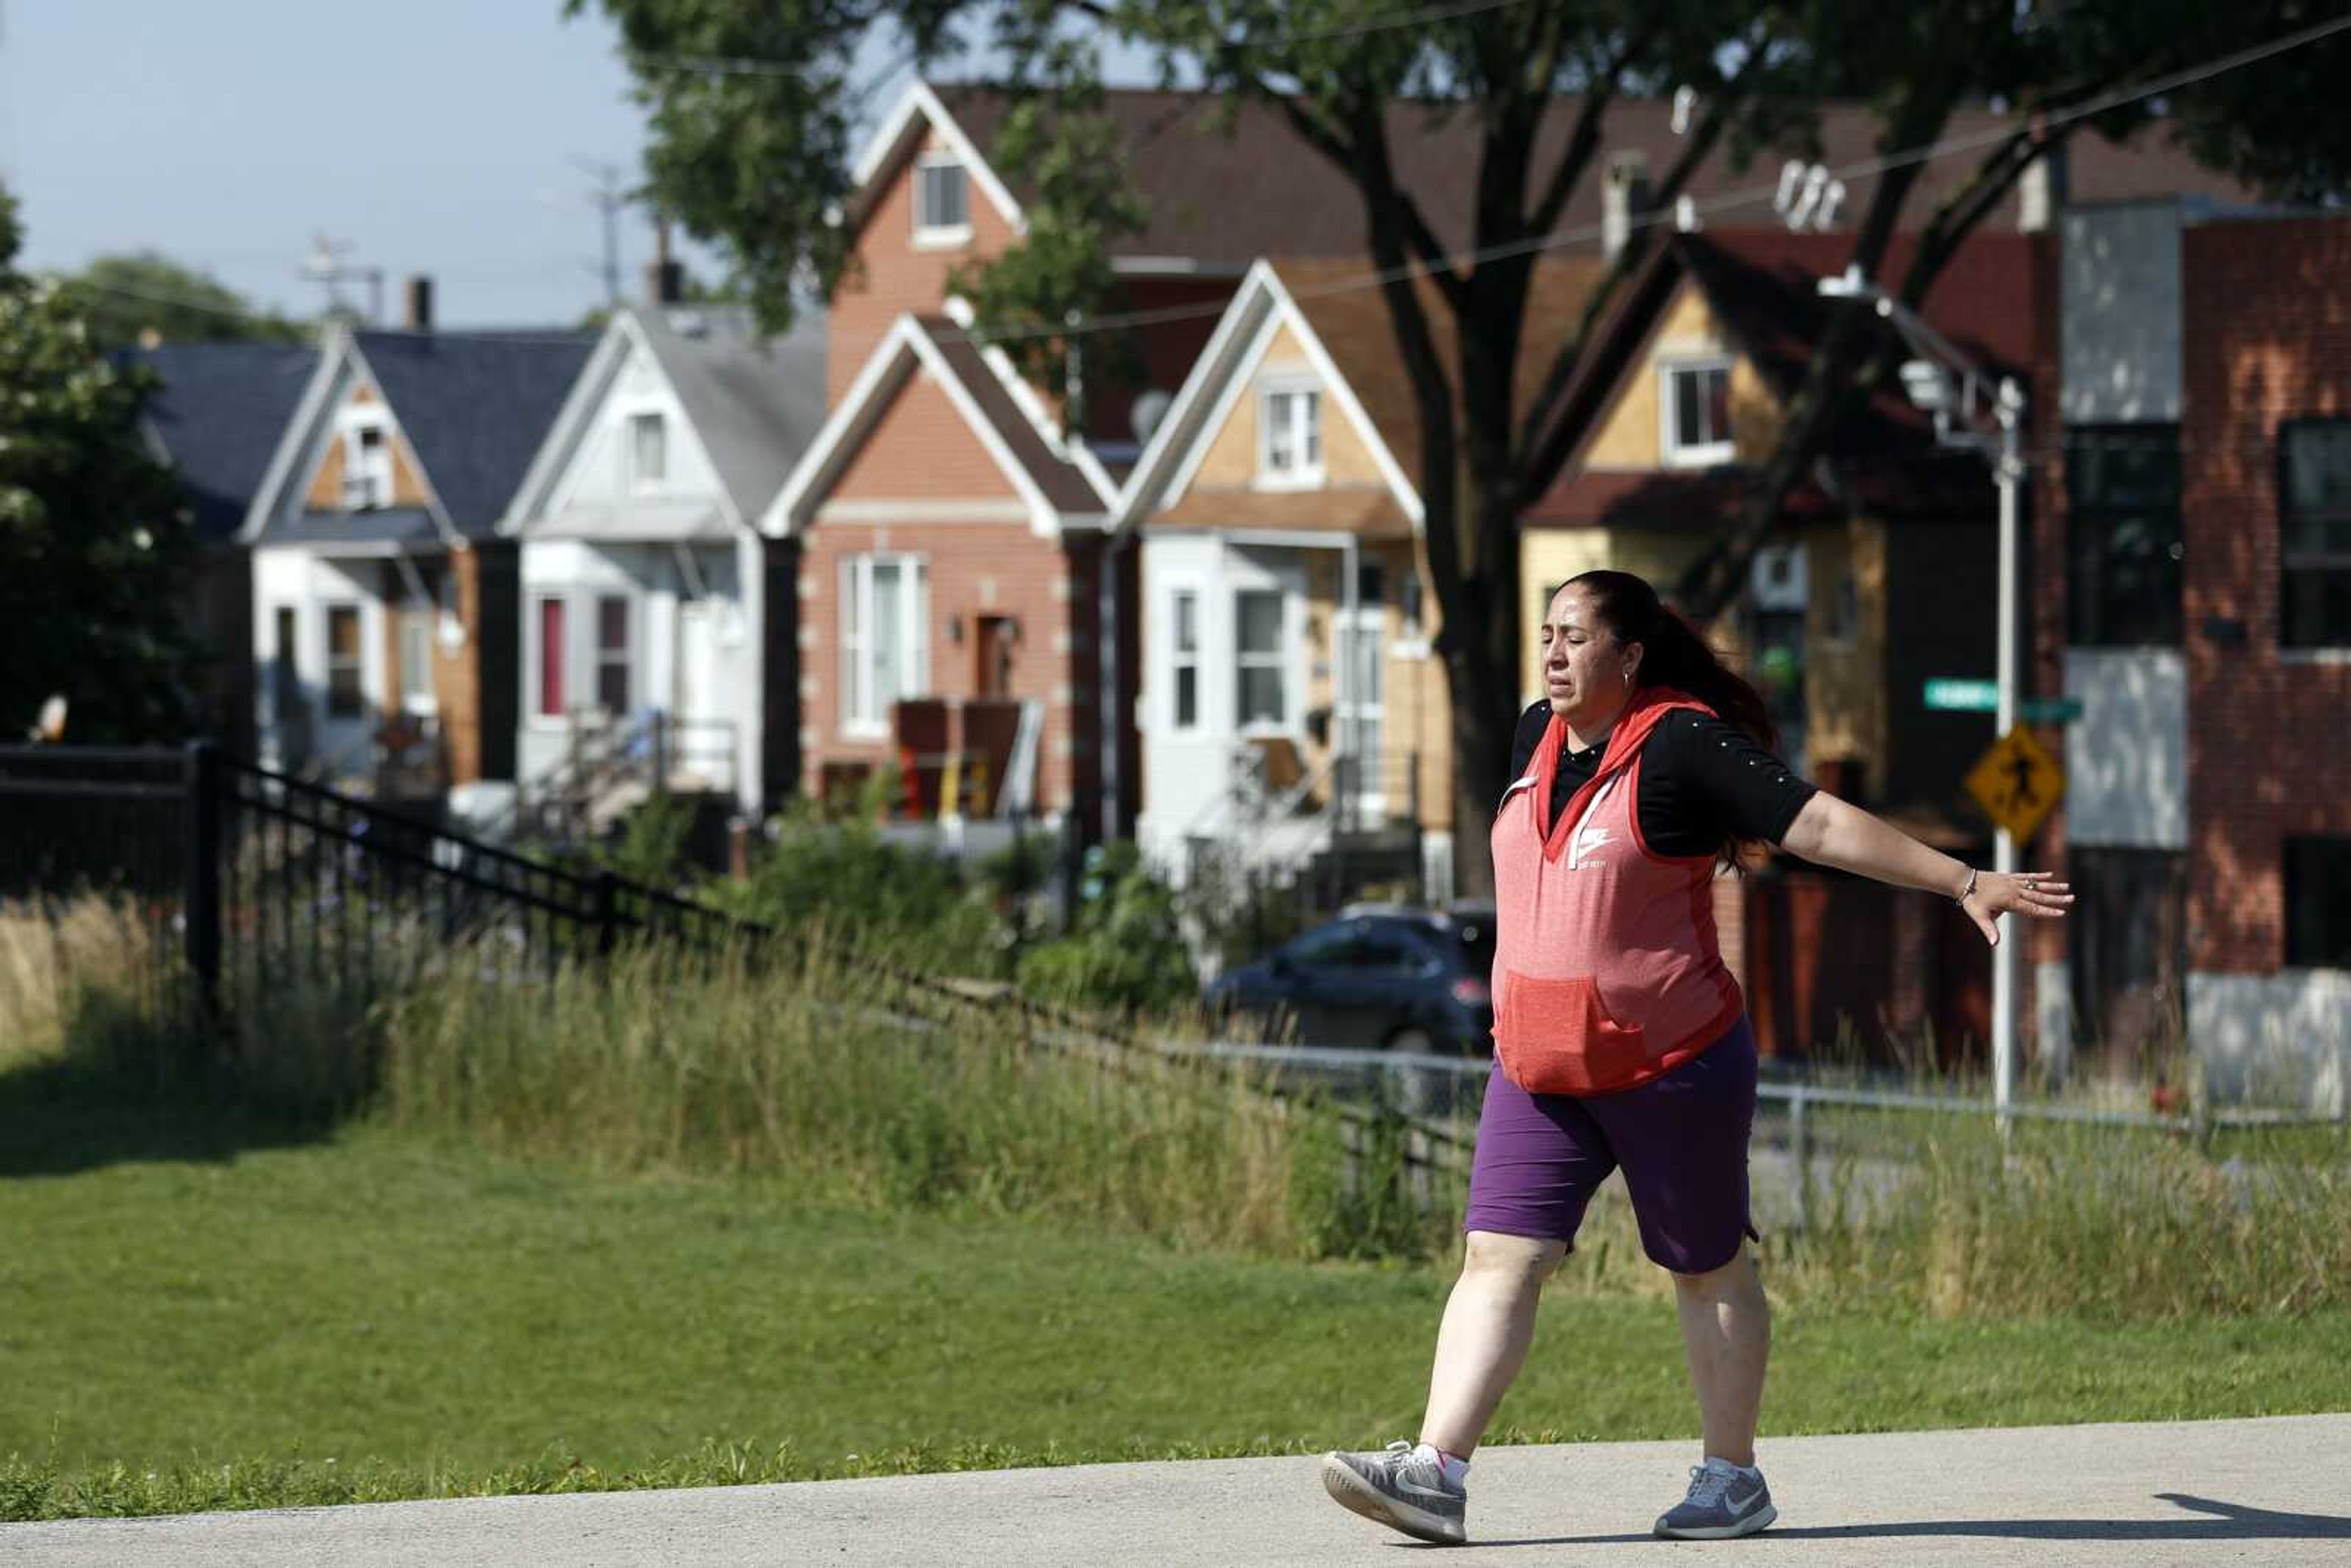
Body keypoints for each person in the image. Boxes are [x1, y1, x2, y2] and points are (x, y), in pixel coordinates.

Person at [1320, 569, 2071, 1544]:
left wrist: (1963, 878)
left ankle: (1733, 1478)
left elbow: (1821, 824)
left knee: (1708, 1271)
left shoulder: (1681, 742)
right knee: (1500, 1255)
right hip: (1538, 1065)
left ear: (1629, 656)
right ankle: (1436, 1472)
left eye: (1575, 636)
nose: (1552, 652)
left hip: (1671, 1061)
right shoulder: (1529, 738)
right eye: (1546, 632)